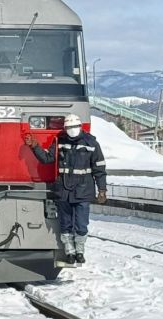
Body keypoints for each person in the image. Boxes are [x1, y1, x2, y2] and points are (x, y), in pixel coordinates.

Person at [25, 113, 107, 265]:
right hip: (64, 190)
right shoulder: (59, 141)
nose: (72, 130)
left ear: (80, 127)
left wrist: (102, 189)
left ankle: (80, 250)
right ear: (65, 128)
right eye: (69, 127)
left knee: (82, 224)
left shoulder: (91, 143)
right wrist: (35, 146)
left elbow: (99, 168)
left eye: (74, 127)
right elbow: (47, 158)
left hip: (83, 190)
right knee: (65, 223)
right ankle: (69, 251)